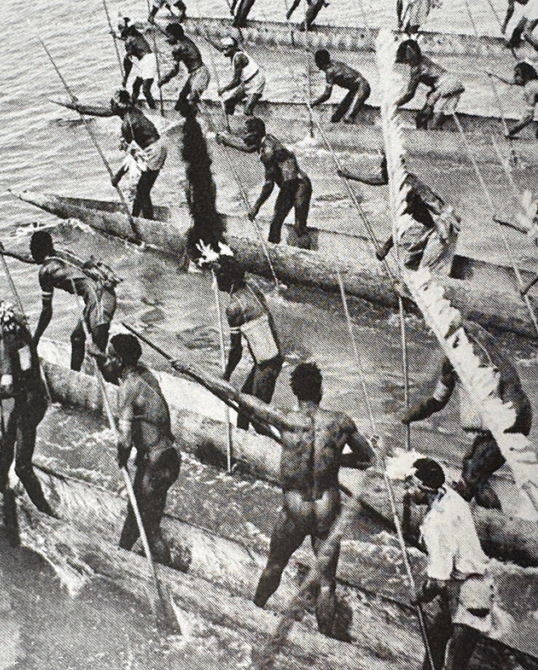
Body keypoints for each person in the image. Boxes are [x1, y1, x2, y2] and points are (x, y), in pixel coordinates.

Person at [169, 358, 374, 638]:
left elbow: (235, 394)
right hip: (327, 506)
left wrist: (192, 369)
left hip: (295, 508)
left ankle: (254, 611)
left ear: (295, 392)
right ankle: (327, 641)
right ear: (320, 390)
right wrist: (336, 460)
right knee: (327, 583)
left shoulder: (285, 419)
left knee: (275, 566)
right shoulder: (342, 423)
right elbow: (368, 458)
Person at [402, 315, 533, 510]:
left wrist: (502, 432)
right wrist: (412, 415)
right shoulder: (451, 363)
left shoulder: (493, 362)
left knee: (473, 473)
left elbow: (517, 404)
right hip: (489, 428)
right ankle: (469, 502)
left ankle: (493, 516)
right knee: (471, 470)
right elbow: (437, 400)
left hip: (509, 422)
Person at [405, 457, 495, 670]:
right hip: (457, 587)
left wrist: (419, 595)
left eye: (411, 486)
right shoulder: (449, 496)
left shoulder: (437, 524)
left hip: (472, 593)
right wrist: (406, 505)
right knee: (434, 643)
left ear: (424, 489)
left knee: (455, 666)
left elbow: (437, 582)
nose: (407, 490)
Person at [102, 332, 180, 564]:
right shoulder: (145, 374)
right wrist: (97, 354)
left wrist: (121, 457)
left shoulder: (128, 389)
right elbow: (117, 369)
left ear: (119, 361)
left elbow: (125, 441)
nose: (106, 363)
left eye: (109, 358)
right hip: (168, 457)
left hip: (156, 463)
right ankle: (123, 552)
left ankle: (166, 570)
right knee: (135, 512)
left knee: (149, 526)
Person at [0, 231, 118, 372]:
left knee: (98, 352)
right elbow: (31, 258)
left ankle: (115, 376)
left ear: (37, 250)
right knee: (77, 338)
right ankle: (75, 374)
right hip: (99, 297)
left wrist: (35, 339)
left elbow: (47, 311)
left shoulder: (46, 271)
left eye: (32, 248)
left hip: (100, 301)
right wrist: (7, 252)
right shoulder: (59, 254)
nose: (31, 252)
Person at [0, 295, 55, 517]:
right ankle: (0, 487)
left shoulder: (7, 343)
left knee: (22, 467)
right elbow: (25, 375)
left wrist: (0, 394)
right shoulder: (18, 335)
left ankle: (46, 512)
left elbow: (15, 383)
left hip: (31, 404)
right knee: (6, 442)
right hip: (28, 399)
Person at [202, 252, 282, 436]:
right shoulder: (252, 288)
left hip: (267, 363)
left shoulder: (234, 309)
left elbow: (236, 351)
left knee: (257, 420)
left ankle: (273, 445)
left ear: (227, 280)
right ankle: (243, 440)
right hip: (272, 357)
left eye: (218, 278)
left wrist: (225, 376)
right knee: (243, 410)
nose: (216, 282)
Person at [339, 154, 460, 273]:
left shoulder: (408, 188)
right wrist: (349, 175)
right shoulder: (399, 179)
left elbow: (403, 221)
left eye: (383, 167)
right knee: (411, 261)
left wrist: (386, 248)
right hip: (433, 226)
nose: (381, 170)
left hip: (443, 227)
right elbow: (376, 180)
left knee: (426, 267)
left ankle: (434, 274)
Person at [67, 90, 167, 219]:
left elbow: (132, 156)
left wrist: (117, 177)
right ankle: (138, 216)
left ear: (119, 107)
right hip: (157, 146)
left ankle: (142, 219)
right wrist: (79, 108)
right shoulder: (132, 110)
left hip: (154, 151)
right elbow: (105, 112)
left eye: (112, 104)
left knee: (143, 190)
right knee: (143, 188)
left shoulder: (127, 124)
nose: (110, 106)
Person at [215, 117, 311, 244]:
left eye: (246, 133)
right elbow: (248, 147)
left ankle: (288, 247)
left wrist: (256, 207)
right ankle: (280, 245)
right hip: (292, 184)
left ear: (255, 134)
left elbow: (269, 185)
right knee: (277, 222)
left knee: (289, 224)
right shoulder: (266, 139)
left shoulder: (267, 151)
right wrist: (227, 140)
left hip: (298, 185)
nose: (243, 136)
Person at [395, 39, 465, 130]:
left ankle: (432, 132)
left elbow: (410, 94)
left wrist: (395, 105)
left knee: (431, 118)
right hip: (452, 83)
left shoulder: (417, 69)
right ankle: (429, 130)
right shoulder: (423, 59)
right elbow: (436, 77)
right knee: (423, 116)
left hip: (447, 85)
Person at [158, 22, 210, 117]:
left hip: (201, 75)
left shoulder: (180, 48)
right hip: (196, 73)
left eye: (170, 36)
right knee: (182, 96)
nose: (168, 38)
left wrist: (164, 79)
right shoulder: (185, 39)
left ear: (175, 35)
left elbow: (175, 71)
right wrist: (155, 24)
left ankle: (193, 120)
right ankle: (184, 115)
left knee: (192, 101)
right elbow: (172, 35)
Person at [311, 49, 371, 124]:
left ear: (320, 62)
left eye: (316, 62)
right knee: (335, 117)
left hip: (362, 88)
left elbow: (327, 95)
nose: (316, 64)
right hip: (355, 89)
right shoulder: (334, 63)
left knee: (347, 118)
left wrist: (314, 103)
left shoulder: (330, 72)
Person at [114, 18, 159, 108]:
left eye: (121, 28)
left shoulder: (129, 42)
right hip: (146, 60)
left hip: (148, 61)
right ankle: (132, 104)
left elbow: (128, 63)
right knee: (136, 85)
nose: (120, 30)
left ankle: (153, 108)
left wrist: (125, 79)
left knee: (145, 89)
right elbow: (127, 38)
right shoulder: (137, 35)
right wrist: (117, 36)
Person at [217, 35, 265, 116]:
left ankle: (253, 123)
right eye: (223, 49)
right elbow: (219, 48)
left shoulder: (238, 58)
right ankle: (231, 120)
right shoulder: (233, 52)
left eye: (226, 49)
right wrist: (207, 39)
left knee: (247, 110)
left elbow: (236, 81)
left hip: (256, 81)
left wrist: (224, 89)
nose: (224, 52)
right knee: (228, 103)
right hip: (246, 82)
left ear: (233, 48)